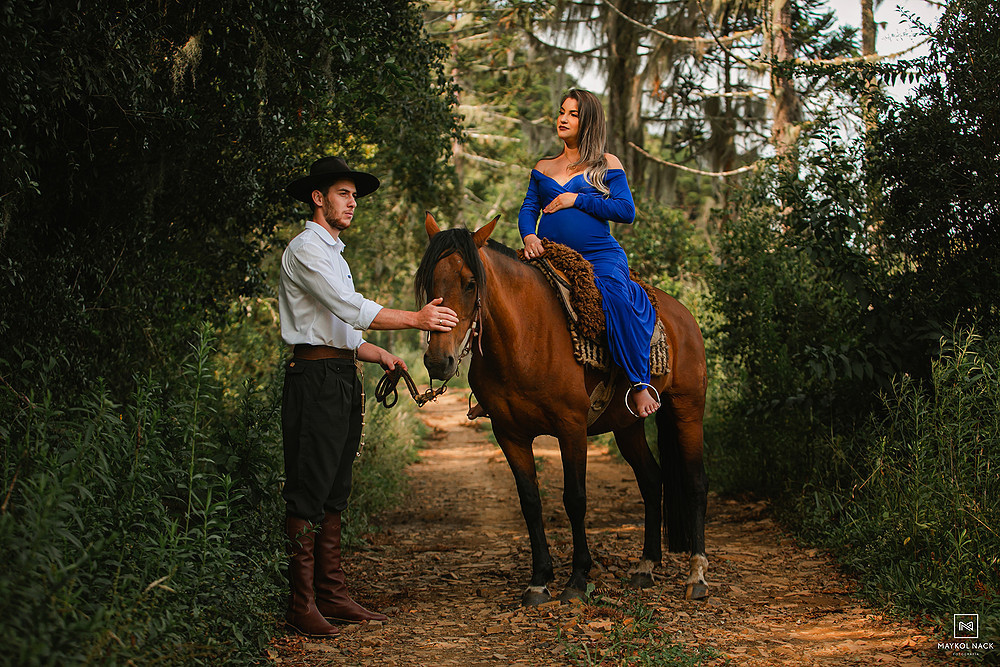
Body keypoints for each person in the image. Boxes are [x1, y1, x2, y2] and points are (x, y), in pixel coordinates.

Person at [279, 156, 458, 637]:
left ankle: (333, 595)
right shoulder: (306, 249)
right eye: (343, 193)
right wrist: (417, 319)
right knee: (308, 492)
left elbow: (339, 327)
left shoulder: (335, 253)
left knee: (335, 492)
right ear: (318, 198)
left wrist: (376, 353)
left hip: (339, 375)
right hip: (313, 380)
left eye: (355, 195)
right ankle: (302, 604)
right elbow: (348, 308)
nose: (352, 202)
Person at [518, 89, 660, 418]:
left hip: (599, 254)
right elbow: (528, 209)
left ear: (589, 121)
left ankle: (639, 385)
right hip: (550, 253)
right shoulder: (543, 166)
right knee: (505, 288)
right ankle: (500, 386)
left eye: (573, 114)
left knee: (616, 297)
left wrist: (576, 200)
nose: (563, 118)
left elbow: (625, 210)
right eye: (561, 111)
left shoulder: (606, 163)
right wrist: (528, 235)